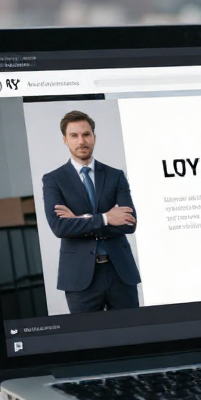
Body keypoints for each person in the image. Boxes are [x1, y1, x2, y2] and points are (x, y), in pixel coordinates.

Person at [42, 110, 141, 313]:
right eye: (74, 135)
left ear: (94, 136)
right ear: (65, 140)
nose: (81, 141)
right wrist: (105, 218)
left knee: (132, 335)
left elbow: (129, 223)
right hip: (80, 277)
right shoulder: (53, 180)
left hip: (120, 273)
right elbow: (60, 227)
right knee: (88, 339)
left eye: (86, 134)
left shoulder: (115, 176)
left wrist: (79, 220)